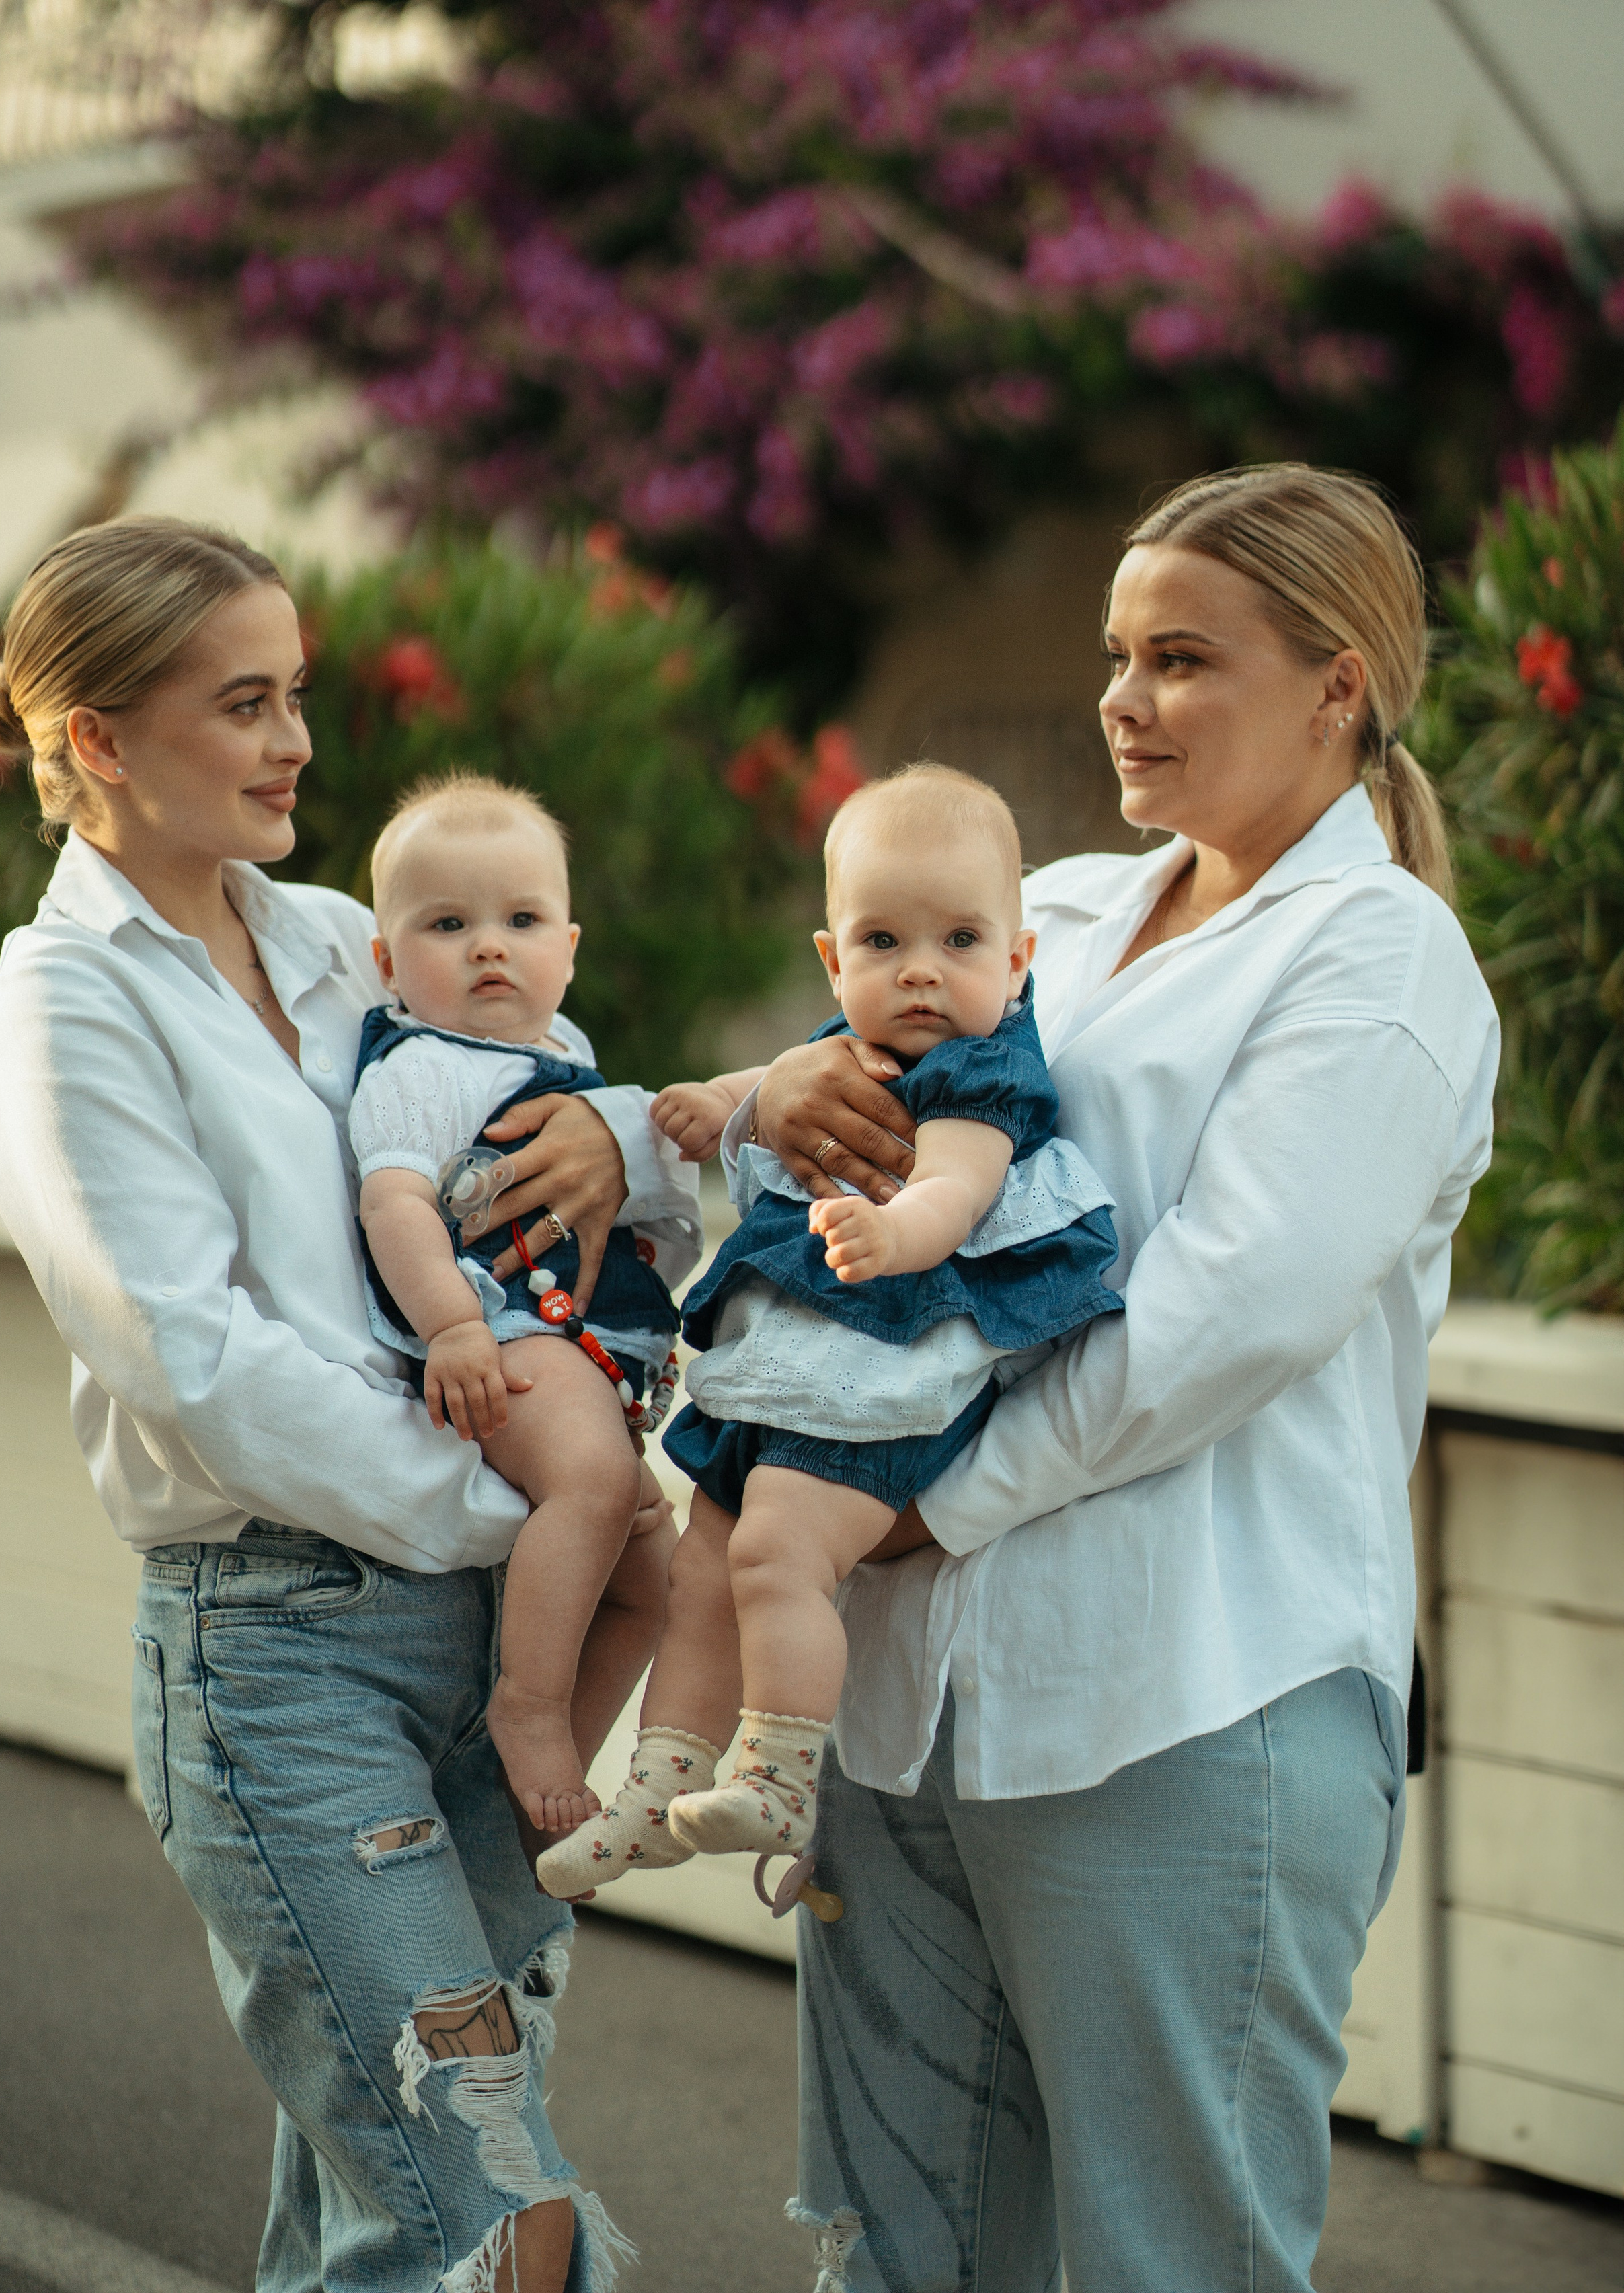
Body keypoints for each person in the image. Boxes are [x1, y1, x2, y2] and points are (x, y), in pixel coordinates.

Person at [674, 466, 1500, 2292]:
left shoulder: (1383, 963)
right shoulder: (1051, 907)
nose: (1122, 699)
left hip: (1192, 1702)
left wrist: (906, 1508)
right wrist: (759, 1108)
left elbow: (1215, 1327)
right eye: (1118, 654)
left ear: (1339, 686)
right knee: (899, 2258)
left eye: (1182, 659)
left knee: (1165, 2266)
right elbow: (848, 1174)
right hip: (910, 1714)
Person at [0, 515, 699, 2293]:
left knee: (381, 2227)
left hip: (480, 1639)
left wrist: (613, 1132)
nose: (298, 742)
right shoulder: (58, 1015)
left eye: (298, 696)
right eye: (245, 703)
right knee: (492, 2208)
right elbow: (192, 1358)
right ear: (101, 738)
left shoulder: (355, 941)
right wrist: (529, 1515)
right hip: (284, 1660)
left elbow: (533, 1104)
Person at [535, 765, 1122, 1900]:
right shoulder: (854, 1042)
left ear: (1017, 959)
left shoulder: (984, 1068)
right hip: (788, 1361)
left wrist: (896, 1232)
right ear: (833, 959)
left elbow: (956, 1185)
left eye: (960, 940)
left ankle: (780, 1771)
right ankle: (657, 1789)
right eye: (883, 940)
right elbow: (780, 1077)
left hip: (887, 1358)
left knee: (772, 1553)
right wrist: (727, 1100)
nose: (920, 971)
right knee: (703, 1569)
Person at [350, 769, 681, 1835]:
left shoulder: (562, 1053)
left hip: (577, 1343)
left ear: (570, 949)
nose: (491, 945)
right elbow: (395, 1202)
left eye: (521, 919)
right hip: (501, 1336)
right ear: (390, 963)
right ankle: (528, 1705)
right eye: (450, 923)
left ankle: (535, 1783)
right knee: (589, 1482)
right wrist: (451, 1327)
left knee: (657, 1572)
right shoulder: (423, 1066)